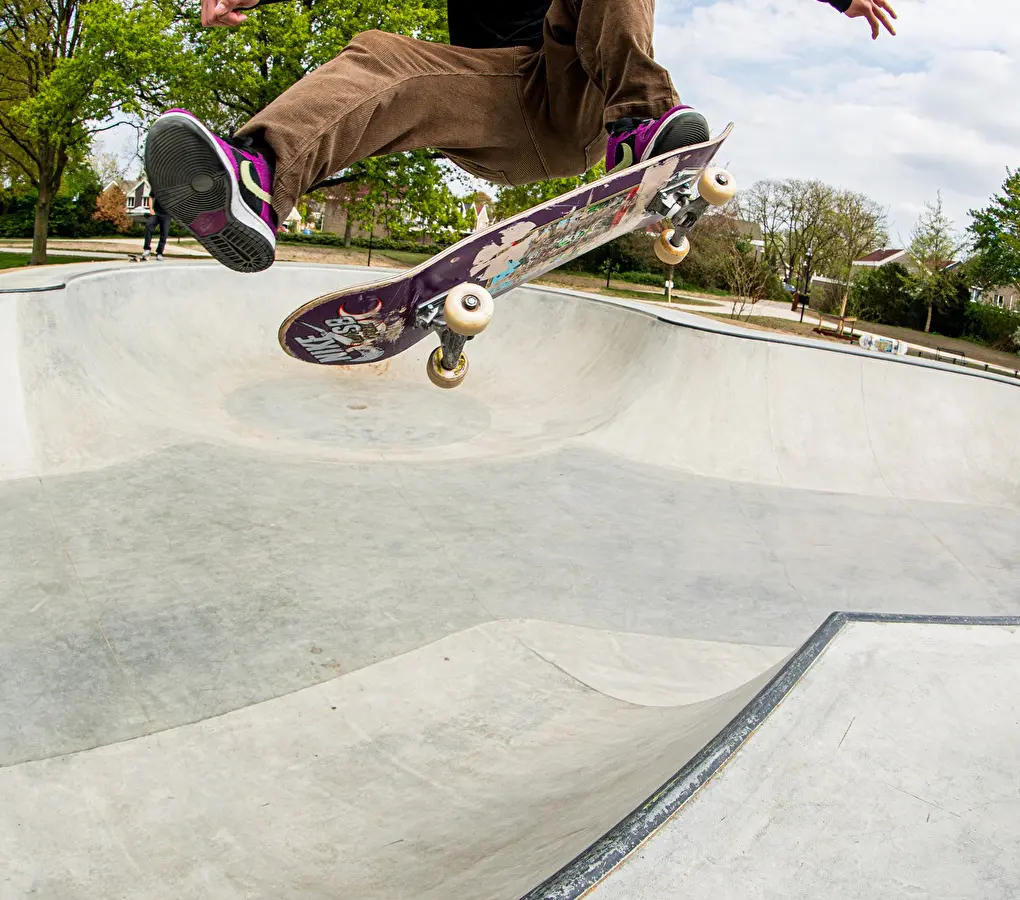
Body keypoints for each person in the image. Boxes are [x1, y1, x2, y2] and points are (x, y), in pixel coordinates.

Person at [144, 0, 897, 274]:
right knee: (380, 57)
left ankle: (642, 128)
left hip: (581, 95)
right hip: (494, 105)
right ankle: (254, 180)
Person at [140, 193, 171, 260]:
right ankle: (147, 249)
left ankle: (159, 253)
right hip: (156, 212)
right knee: (148, 226)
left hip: (167, 215)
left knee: (164, 234)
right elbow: (151, 197)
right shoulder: (158, 185)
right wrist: (151, 209)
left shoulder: (173, 188)